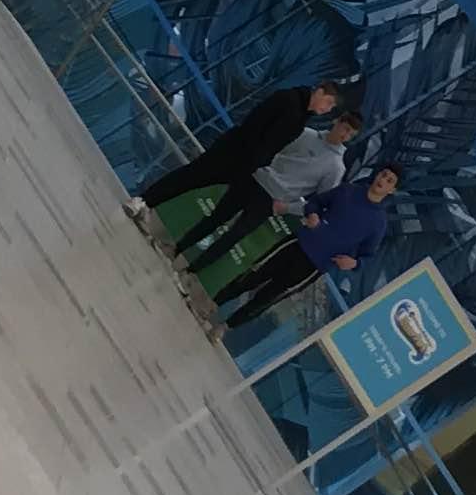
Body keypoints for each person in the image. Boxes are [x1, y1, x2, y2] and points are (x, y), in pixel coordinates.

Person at [142, 79, 351, 233]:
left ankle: (150, 203)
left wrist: (255, 163)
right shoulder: (288, 99)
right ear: (320, 92)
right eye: (329, 102)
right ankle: (145, 200)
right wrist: (252, 155)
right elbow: (255, 122)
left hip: (246, 164)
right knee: (190, 176)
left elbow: (275, 144)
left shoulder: (302, 119)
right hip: (234, 150)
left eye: (331, 107)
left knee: (196, 184)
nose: (327, 109)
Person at [180, 104, 360, 277]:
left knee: (233, 236)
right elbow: (276, 149)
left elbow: (321, 201)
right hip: (256, 179)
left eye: (350, 134)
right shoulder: (306, 134)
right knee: (216, 217)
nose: (345, 135)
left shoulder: (336, 167)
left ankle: (191, 271)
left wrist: (288, 208)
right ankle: (178, 248)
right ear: (337, 121)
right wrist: (257, 167)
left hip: (272, 199)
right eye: (345, 128)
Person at [222, 164, 400, 336]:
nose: (383, 180)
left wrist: (354, 263)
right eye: (383, 174)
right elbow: (315, 202)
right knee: (253, 275)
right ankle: (215, 302)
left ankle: (224, 327)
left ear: (392, 190)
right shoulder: (348, 190)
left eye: (390, 180)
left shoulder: (378, 223)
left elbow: (367, 256)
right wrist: (313, 213)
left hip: (315, 266)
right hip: (297, 243)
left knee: (268, 297)